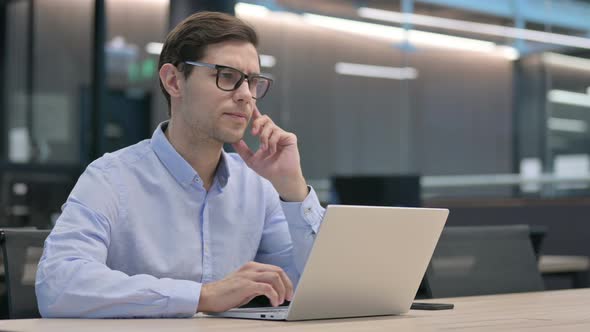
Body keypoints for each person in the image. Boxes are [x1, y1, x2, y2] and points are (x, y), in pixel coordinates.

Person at [35, 11, 325, 318]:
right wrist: (201, 296)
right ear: (174, 81)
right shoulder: (110, 178)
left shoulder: (255, 184)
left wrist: (293, 189)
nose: (246, 96)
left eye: (252, 82)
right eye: (226, 76)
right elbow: (58, 284)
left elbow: (313, 284)